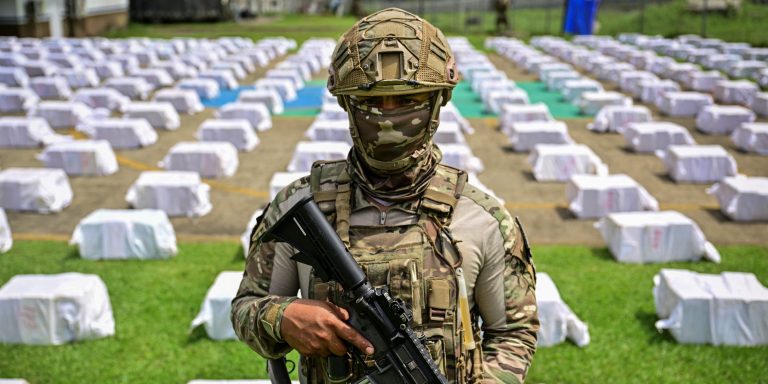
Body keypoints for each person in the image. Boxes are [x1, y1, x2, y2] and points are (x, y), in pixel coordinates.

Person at [231, 8, 538, 384]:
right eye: (371, 102)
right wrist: (283, 319)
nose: (388, 118)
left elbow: (513, 334)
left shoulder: (481, 219)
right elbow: (247, 309)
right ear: (347, 104)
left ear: (438, 102)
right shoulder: (301, 206)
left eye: (407, 101)